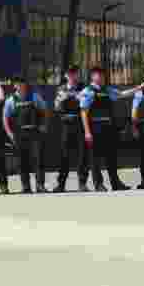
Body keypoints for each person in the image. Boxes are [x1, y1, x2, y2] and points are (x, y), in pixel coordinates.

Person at [79, 67, 134, 192]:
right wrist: (87, 132)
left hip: (108, 128)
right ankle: (98, 184)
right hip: (95, 128)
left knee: (111, 157)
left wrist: (139, 88)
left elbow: (122, 94)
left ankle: (116, 184)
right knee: (95, 159)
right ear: (92, 77)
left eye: (102, 75)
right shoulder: (88, 91)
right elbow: (83, 112)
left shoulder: (107, 90)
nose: (101, 77)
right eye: (98, 75)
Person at [2, 76, 49, 194]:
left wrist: (44, 125)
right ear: (15, 86)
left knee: (38, 159)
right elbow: (5, 118)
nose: (20, 85)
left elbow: (45, 110)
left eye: (22, 83)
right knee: (22, 161)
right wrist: (9, 133)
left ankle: (40, 185)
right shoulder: (10, 100)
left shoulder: (34, 96)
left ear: (25, 84)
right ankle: (25, 186)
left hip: (34, 132)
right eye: (18, 84)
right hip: (19, 134)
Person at [53, 65, 89, 193]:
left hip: (80, 123)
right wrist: (60, 99)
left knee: (82, 155)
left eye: (75, 73)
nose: (73, 76)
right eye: (70, 74)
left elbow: (88, 103)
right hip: (66, 124)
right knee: (64, 155)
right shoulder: (61, 89)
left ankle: (82, 183)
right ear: (66, 76)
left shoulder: (84, 88)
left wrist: (81, 97)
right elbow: (56, 107)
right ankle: (61, 184)